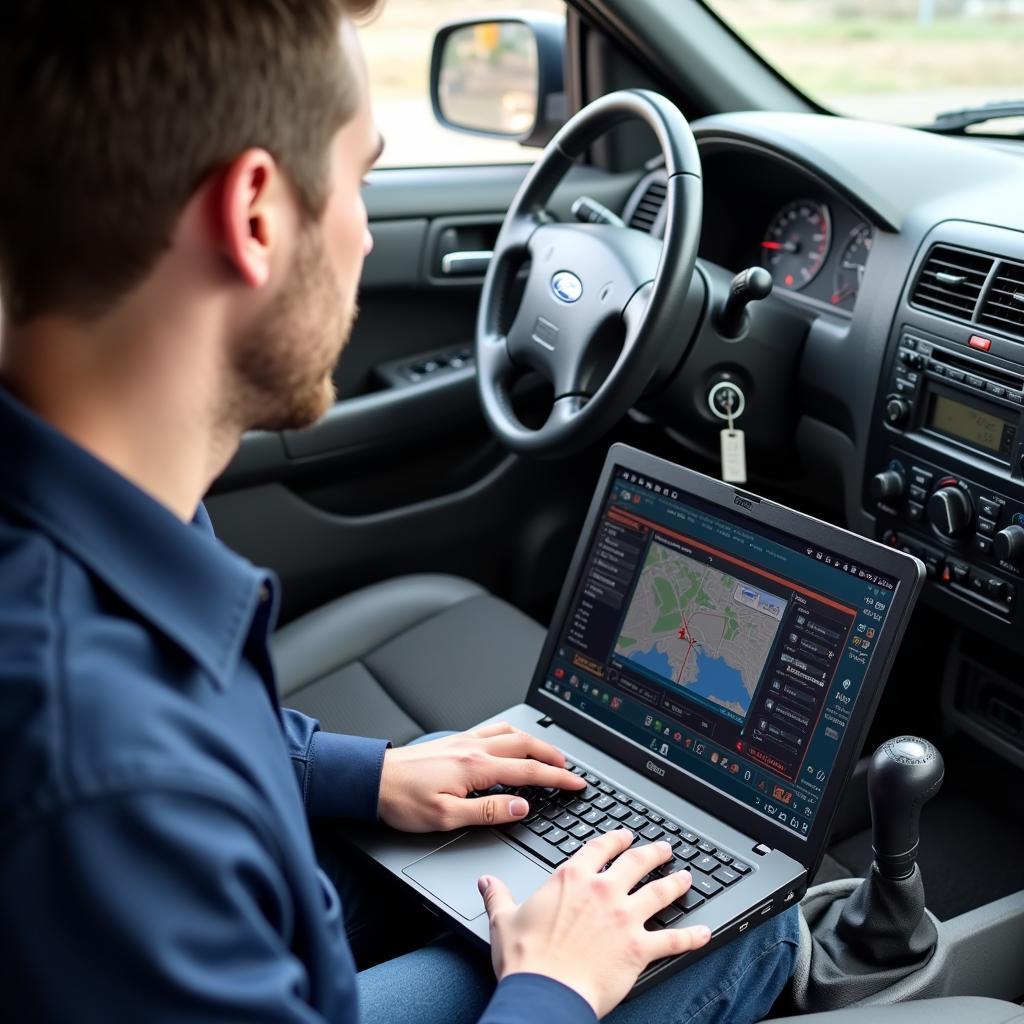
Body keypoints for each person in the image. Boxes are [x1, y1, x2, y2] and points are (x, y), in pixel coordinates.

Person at [0, 2, 800, 1021]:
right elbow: (151, 774)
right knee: (741, 923)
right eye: (360, 179)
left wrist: (364, 773)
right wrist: (550, 989)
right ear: (253, 215)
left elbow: (208, 735)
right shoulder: (109, 779)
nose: (367, 232)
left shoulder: (111, 507)